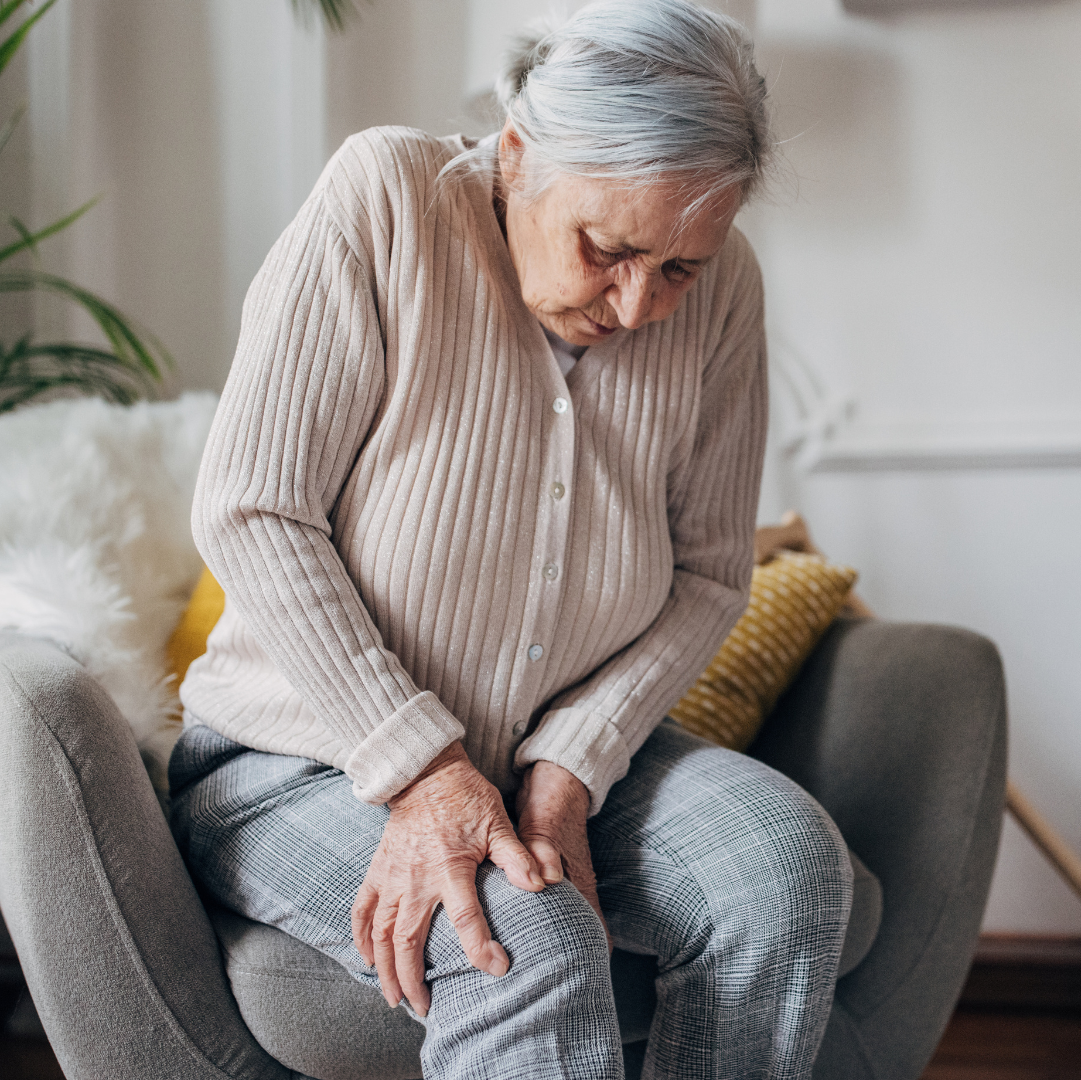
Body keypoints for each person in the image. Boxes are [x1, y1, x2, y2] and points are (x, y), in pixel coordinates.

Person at [168, 2, 853, 1076]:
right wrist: (423, 769)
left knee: (785, 866)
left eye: (677, 268)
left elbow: (711, 575)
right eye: (608, 248)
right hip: (299, 761)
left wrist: (574, 761)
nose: (637, 305)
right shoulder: (387, 195)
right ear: (520, 154)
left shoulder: (728, 293)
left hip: (559, 753)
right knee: (520, 943)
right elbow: (253, 507)